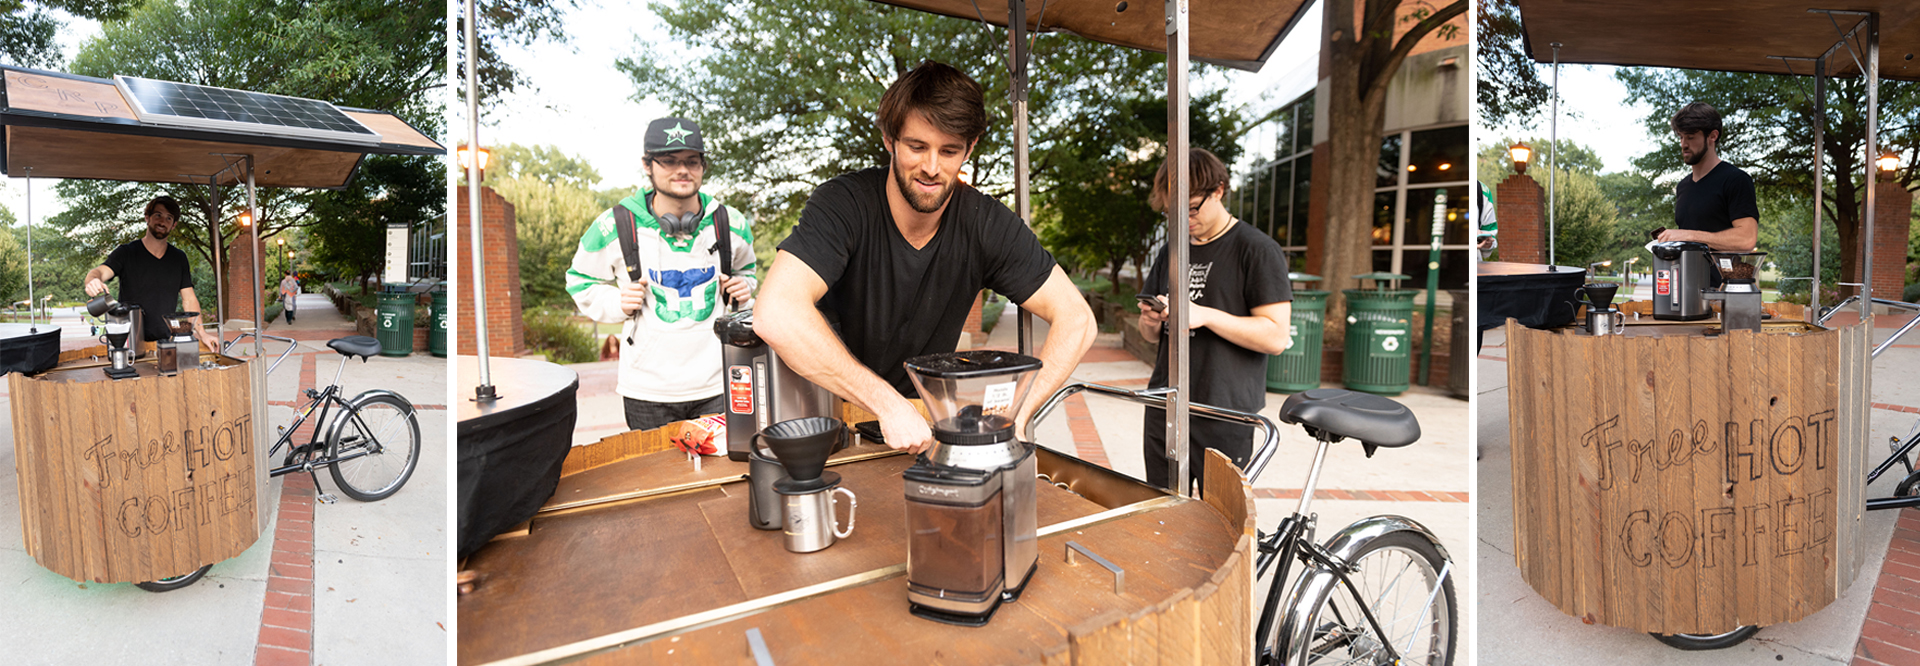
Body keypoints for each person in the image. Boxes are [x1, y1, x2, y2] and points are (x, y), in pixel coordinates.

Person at [754, 60, 1096, 455]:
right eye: (917, 147)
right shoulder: (843, 204)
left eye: (949, 151)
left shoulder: (985, 223)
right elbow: (776, 313)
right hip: (825, 423)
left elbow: (1078, 320)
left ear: (970, 147)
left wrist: (1017, 416)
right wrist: (886, 403)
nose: (932, 168)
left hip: (925, 429)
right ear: (889, 139)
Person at [566, 117, 757, 432]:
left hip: (718, 382)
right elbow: (579, 280)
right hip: (646, 390)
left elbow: (747, 273)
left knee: (718, 473)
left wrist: (743, 288)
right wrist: (617, 302)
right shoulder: (614, 225)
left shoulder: (731, 222)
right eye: (669, 161)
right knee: (658, 474)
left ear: (703, 166)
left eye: (691, 161)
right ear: (647, 164)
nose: (682, 170)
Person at [1136, 148, 1293, 490]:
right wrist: (1150, 320)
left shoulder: (1257, 249)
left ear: (1219, 190)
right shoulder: (1172, 250)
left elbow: (1276, 336)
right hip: (1165, 403)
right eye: (1171, 212)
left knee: (1221, 526)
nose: (1184, 220)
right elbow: (1149, 336)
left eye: (1191, 208)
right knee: (1161, 515)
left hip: (1225, 412)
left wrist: (1204, 315)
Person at [82, 195, 221, 351]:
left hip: (165, 343)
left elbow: (189, 299)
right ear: (147, 218)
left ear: (173, 225)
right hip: (128, 342)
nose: (163, 221)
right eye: (158, 215)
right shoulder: (126, 252)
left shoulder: (178, 258)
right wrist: (93, 281)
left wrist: (202, 333)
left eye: (169, 218)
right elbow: (99, 272)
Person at [1655, 102, 1759, 251]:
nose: (1683, 144)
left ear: (1713, 136)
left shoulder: (1736, 180)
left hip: (1725, 274)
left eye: (1690, 137)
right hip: (1685, 274)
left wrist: (1689, 236)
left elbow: (1746, 239)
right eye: (1681, 137)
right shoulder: (1683, 186)